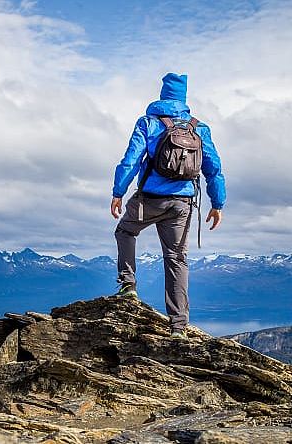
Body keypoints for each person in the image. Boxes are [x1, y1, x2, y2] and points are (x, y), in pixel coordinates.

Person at [110, 73, 226, 339]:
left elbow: (131, 160)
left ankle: (128, 286)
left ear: (162, 94)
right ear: (184, 98)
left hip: (148, 199)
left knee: (126, 232)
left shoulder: (149, 123)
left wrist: (118, 192)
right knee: (176, 260)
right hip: (182, 204)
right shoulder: (199, 128)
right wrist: (217, 203)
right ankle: (178, 327)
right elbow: (214, 169)